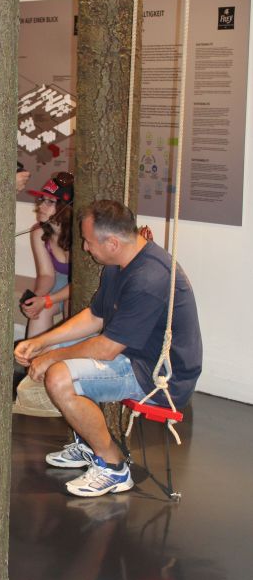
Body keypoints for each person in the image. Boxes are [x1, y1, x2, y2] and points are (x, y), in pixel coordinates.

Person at [14, 200, 202, 498]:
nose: (85, 248)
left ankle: (113, 467)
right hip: (133, 355)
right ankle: (90, 445)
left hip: (159, 376)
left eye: (88, 242)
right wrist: (42, 342)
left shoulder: (149, 278)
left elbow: (106, 349)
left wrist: (49, 358)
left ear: (112, 242)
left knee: (60, 377)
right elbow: (95, 316)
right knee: (61, 352)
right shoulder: (119, 263)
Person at [20, 171, 73, 335]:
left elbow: (77, 285)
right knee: (40, 312)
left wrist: (46, 300)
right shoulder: (38, 233)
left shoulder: (80, 238)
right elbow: (46, 275)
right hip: (60, 281)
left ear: (66, 208)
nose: (41, 206)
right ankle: (32, 351)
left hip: (79, 286)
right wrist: (36, 299)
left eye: (50, 202)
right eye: (42, 200)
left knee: (71, 309)